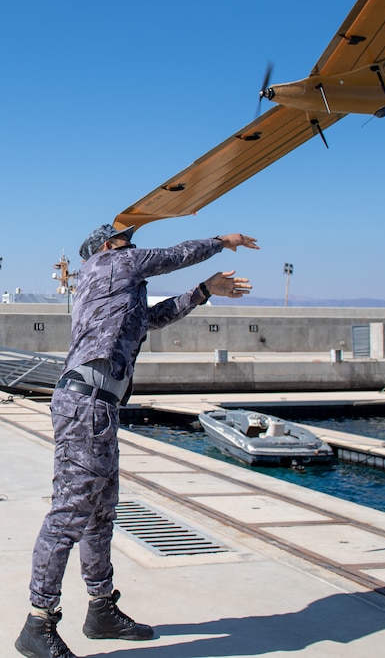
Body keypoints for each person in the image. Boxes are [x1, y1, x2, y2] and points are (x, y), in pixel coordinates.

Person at [15, 224, 259, 658]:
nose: (134, 244)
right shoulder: (109, 263)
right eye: (126, 238)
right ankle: (38, 621)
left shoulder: (116, 294)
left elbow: (156, 317)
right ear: (109, 246)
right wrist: (223, 242)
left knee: (100, 511)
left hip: (98, 406)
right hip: (86, 405)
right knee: (69, 513)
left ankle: (101, 608)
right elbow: (177, 254)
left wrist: (204, 290)